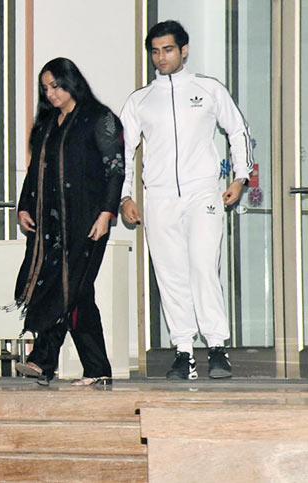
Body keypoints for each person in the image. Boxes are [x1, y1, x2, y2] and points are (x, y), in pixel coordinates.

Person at [120, 20, 253, 380]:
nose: (161, 57)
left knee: (202, 265)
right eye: (155, 51)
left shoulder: (208, 89)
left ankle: (217, 347)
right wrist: (125, 196)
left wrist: (241, 178)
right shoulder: (140, 100)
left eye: (168, 50)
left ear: (184, 50)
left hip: (203, 192)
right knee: (170, 273)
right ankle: (183, 351)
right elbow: (122, 152)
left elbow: (237, 130)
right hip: (159, 197)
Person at [13, 58, 125, 386]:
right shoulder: (48, 124)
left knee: (70, 288)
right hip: (51, 226)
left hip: (88, 222)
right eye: (46, 88)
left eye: (57, 86)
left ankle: (43, 359)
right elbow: (36, 171)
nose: (51, 94)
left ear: (71, 82)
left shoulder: (99, 119)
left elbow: (115, 170)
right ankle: (95, 369)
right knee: (74, 292)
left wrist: (106, 213)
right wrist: (24, 206)